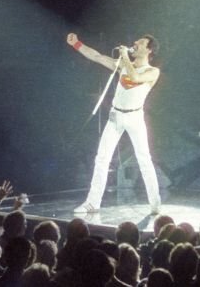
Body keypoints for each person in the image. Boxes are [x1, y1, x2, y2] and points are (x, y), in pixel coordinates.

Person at [67, 32, 162, 214]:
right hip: (115, 116)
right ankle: (92, 203)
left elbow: (134, 78)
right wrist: (77, 44)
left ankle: (155, 204)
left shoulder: (152, 71)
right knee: (102, 159)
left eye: (140, 43)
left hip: (135, 118)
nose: (135, 44)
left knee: (144, 160)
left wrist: (125, 57)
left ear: (149, 50)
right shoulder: (122, 65)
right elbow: (97, 57)